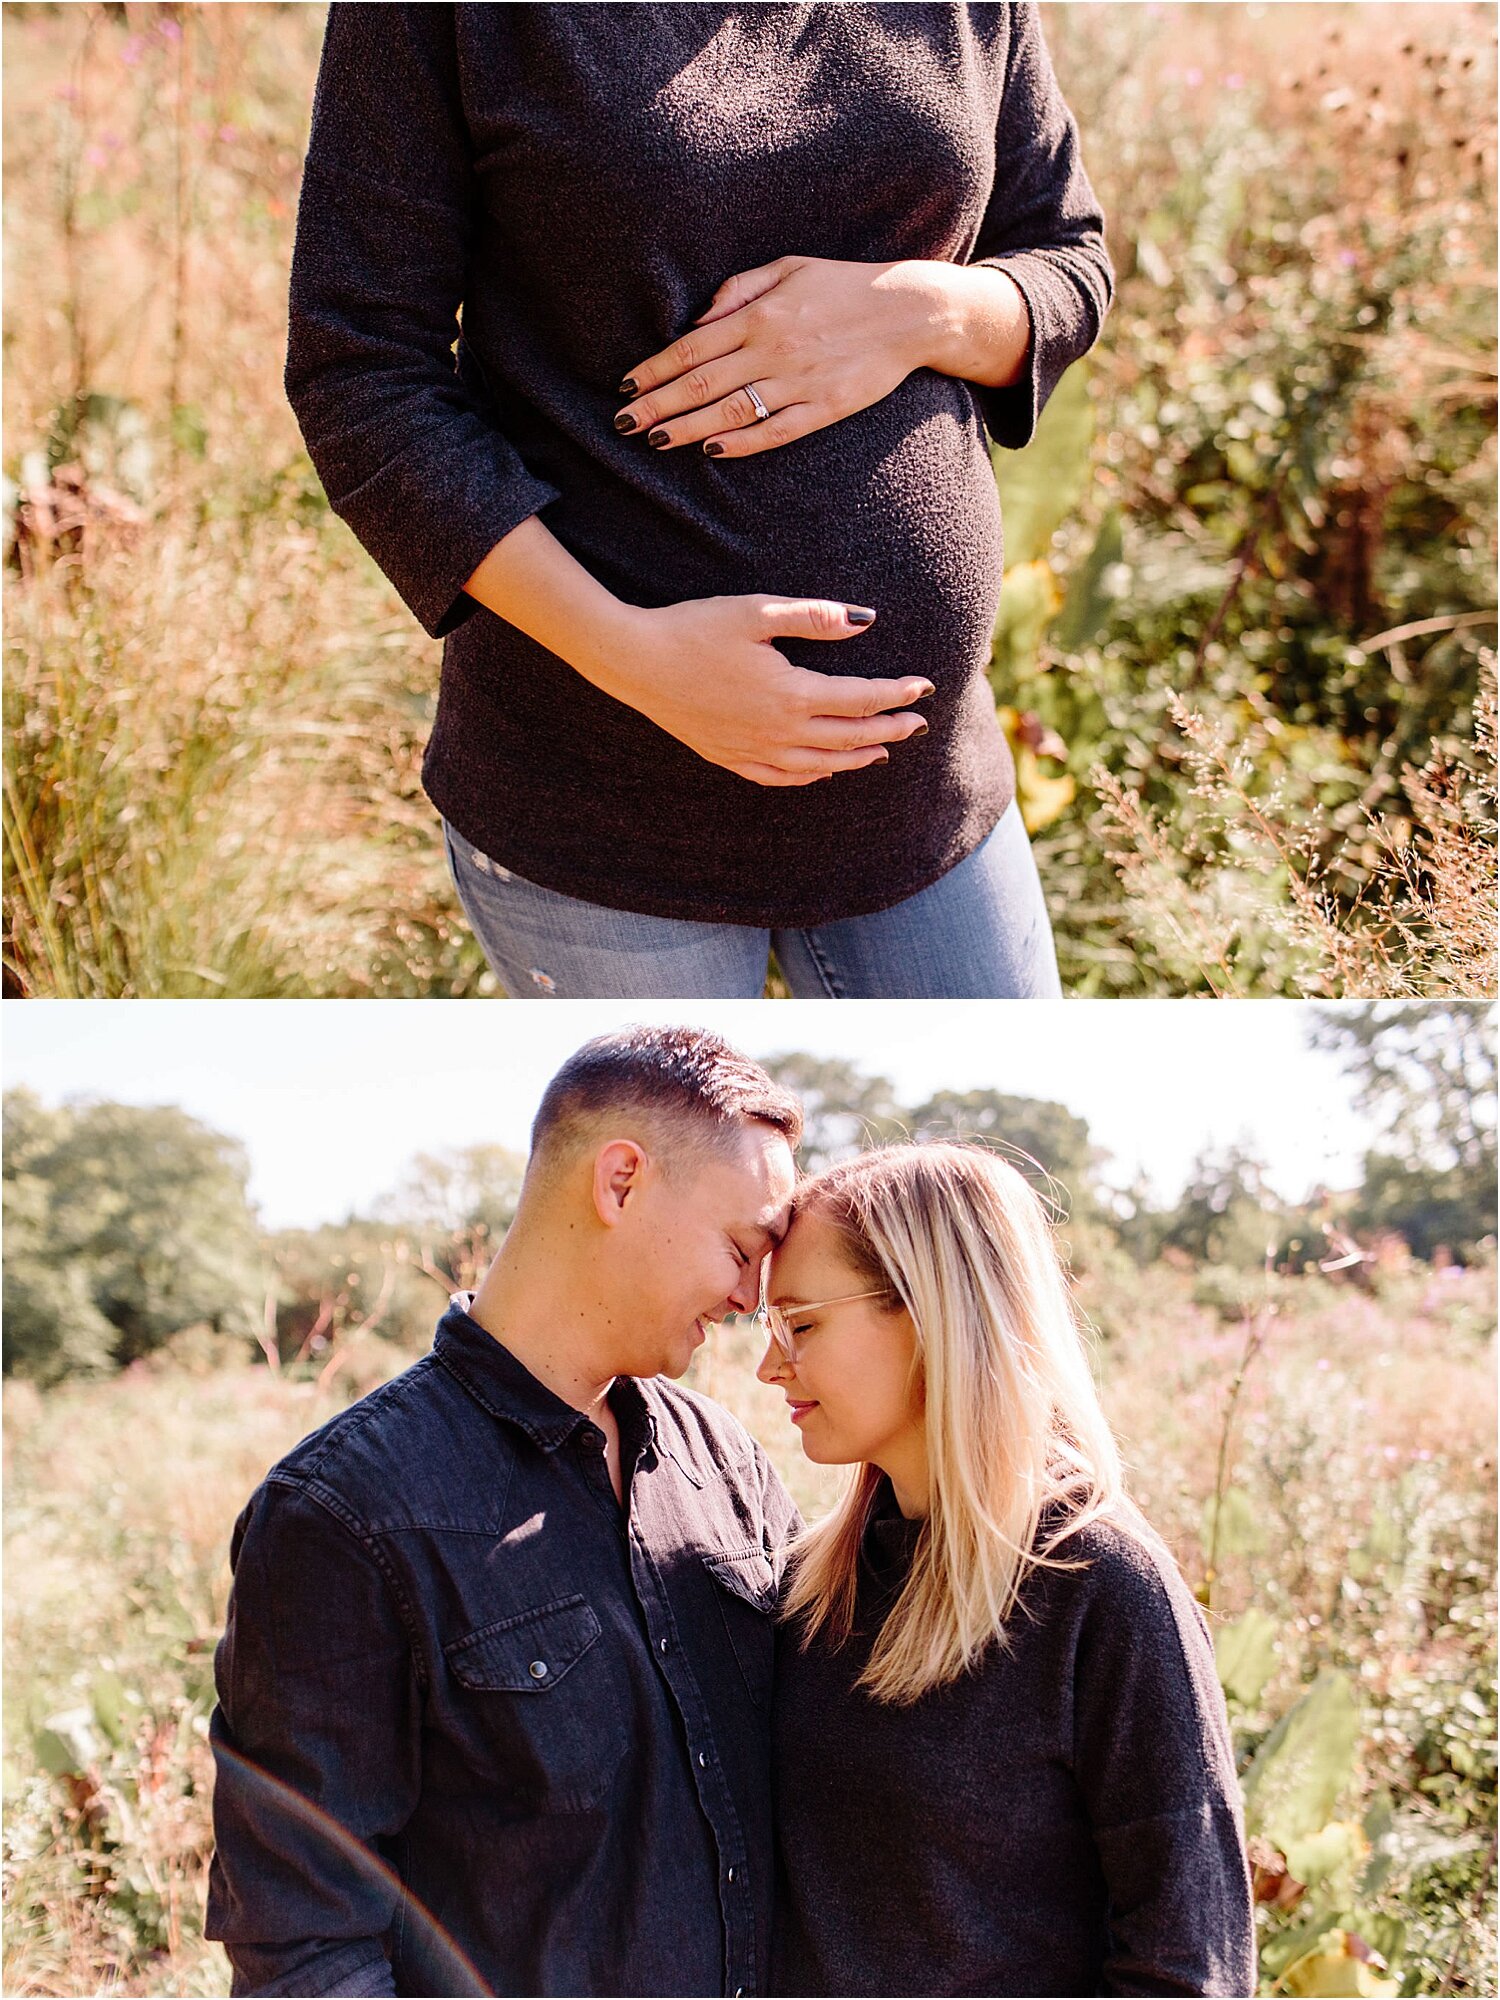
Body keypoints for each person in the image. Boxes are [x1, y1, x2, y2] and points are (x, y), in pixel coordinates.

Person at [284, 4, 1113, 999]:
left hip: (925, 793)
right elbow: (362, 370)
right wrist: (628, 653)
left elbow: (1068, 259)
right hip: (605, 810)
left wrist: (919, 312)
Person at [206, 1027, 803, 1997]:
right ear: (620, 1182)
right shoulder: (341, 1513)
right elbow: (307, 1947)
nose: (749, 1296)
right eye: (741, 1249)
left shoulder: (725, 1461)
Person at [755, 1143, 1257, 1997]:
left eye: (800, 1324)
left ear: (933, 1313)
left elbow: (1186, 1962)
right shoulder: (817, 1583)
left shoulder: (1102, 1585)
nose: (771, 1365)